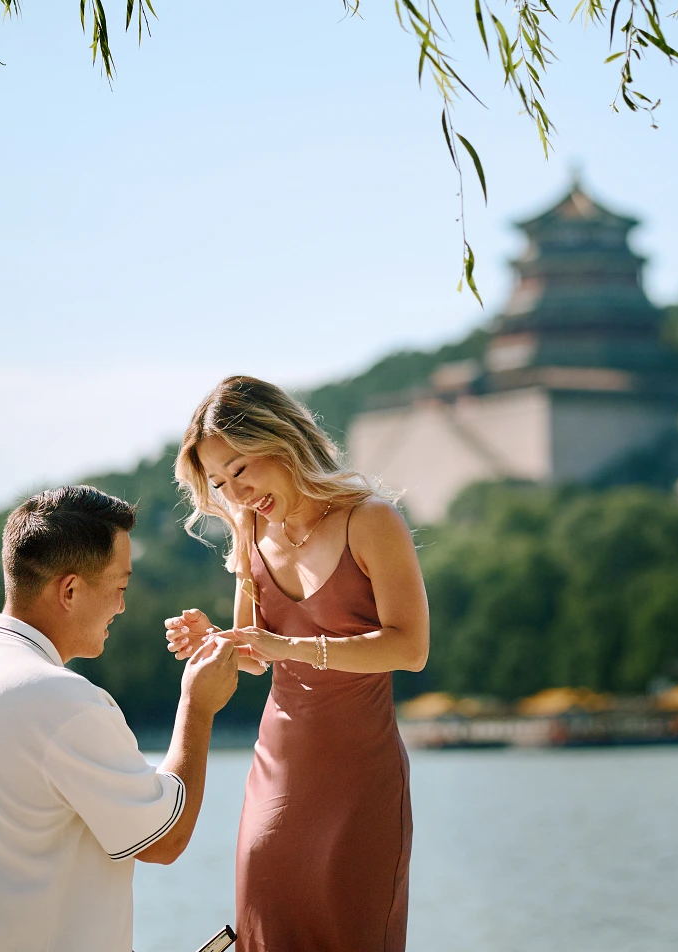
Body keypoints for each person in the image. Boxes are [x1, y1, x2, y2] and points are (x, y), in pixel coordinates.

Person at [0, 485, 238, 952]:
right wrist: (197, 707)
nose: (122, 606)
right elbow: (164, 839)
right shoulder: (59, 701)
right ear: (71, 590)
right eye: (119, 587)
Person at [166, 375, 429, 952]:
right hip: (278, 775)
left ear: (279, 440)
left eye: (241, 469)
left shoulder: (372, 520)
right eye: (219, 482)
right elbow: (257, 650)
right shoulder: (251, 530)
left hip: (362, 778)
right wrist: (218, 639)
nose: (235, 494)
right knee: (266, 935)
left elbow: (410, 649)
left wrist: (296, 648)